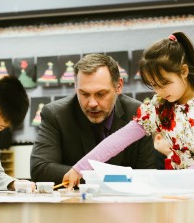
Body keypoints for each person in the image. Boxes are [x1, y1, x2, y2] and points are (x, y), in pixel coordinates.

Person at [62, 32, 194, 189]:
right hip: (187, 191)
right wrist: (79, 168)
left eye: (165, 83)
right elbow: (117, 141)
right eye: (154, 86)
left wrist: (191, 174)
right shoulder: (158, 108)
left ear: (184, 71)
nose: (160, 91)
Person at [30, 54, 156, 185]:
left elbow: (147, 174)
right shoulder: (56, 114)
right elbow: (40, 170)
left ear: (118, 86)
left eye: (100, 94)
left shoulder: (139, 114)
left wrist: (84, 174)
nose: (92, 103)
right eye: (84, 94)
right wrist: (99, 178)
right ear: (75, 88)